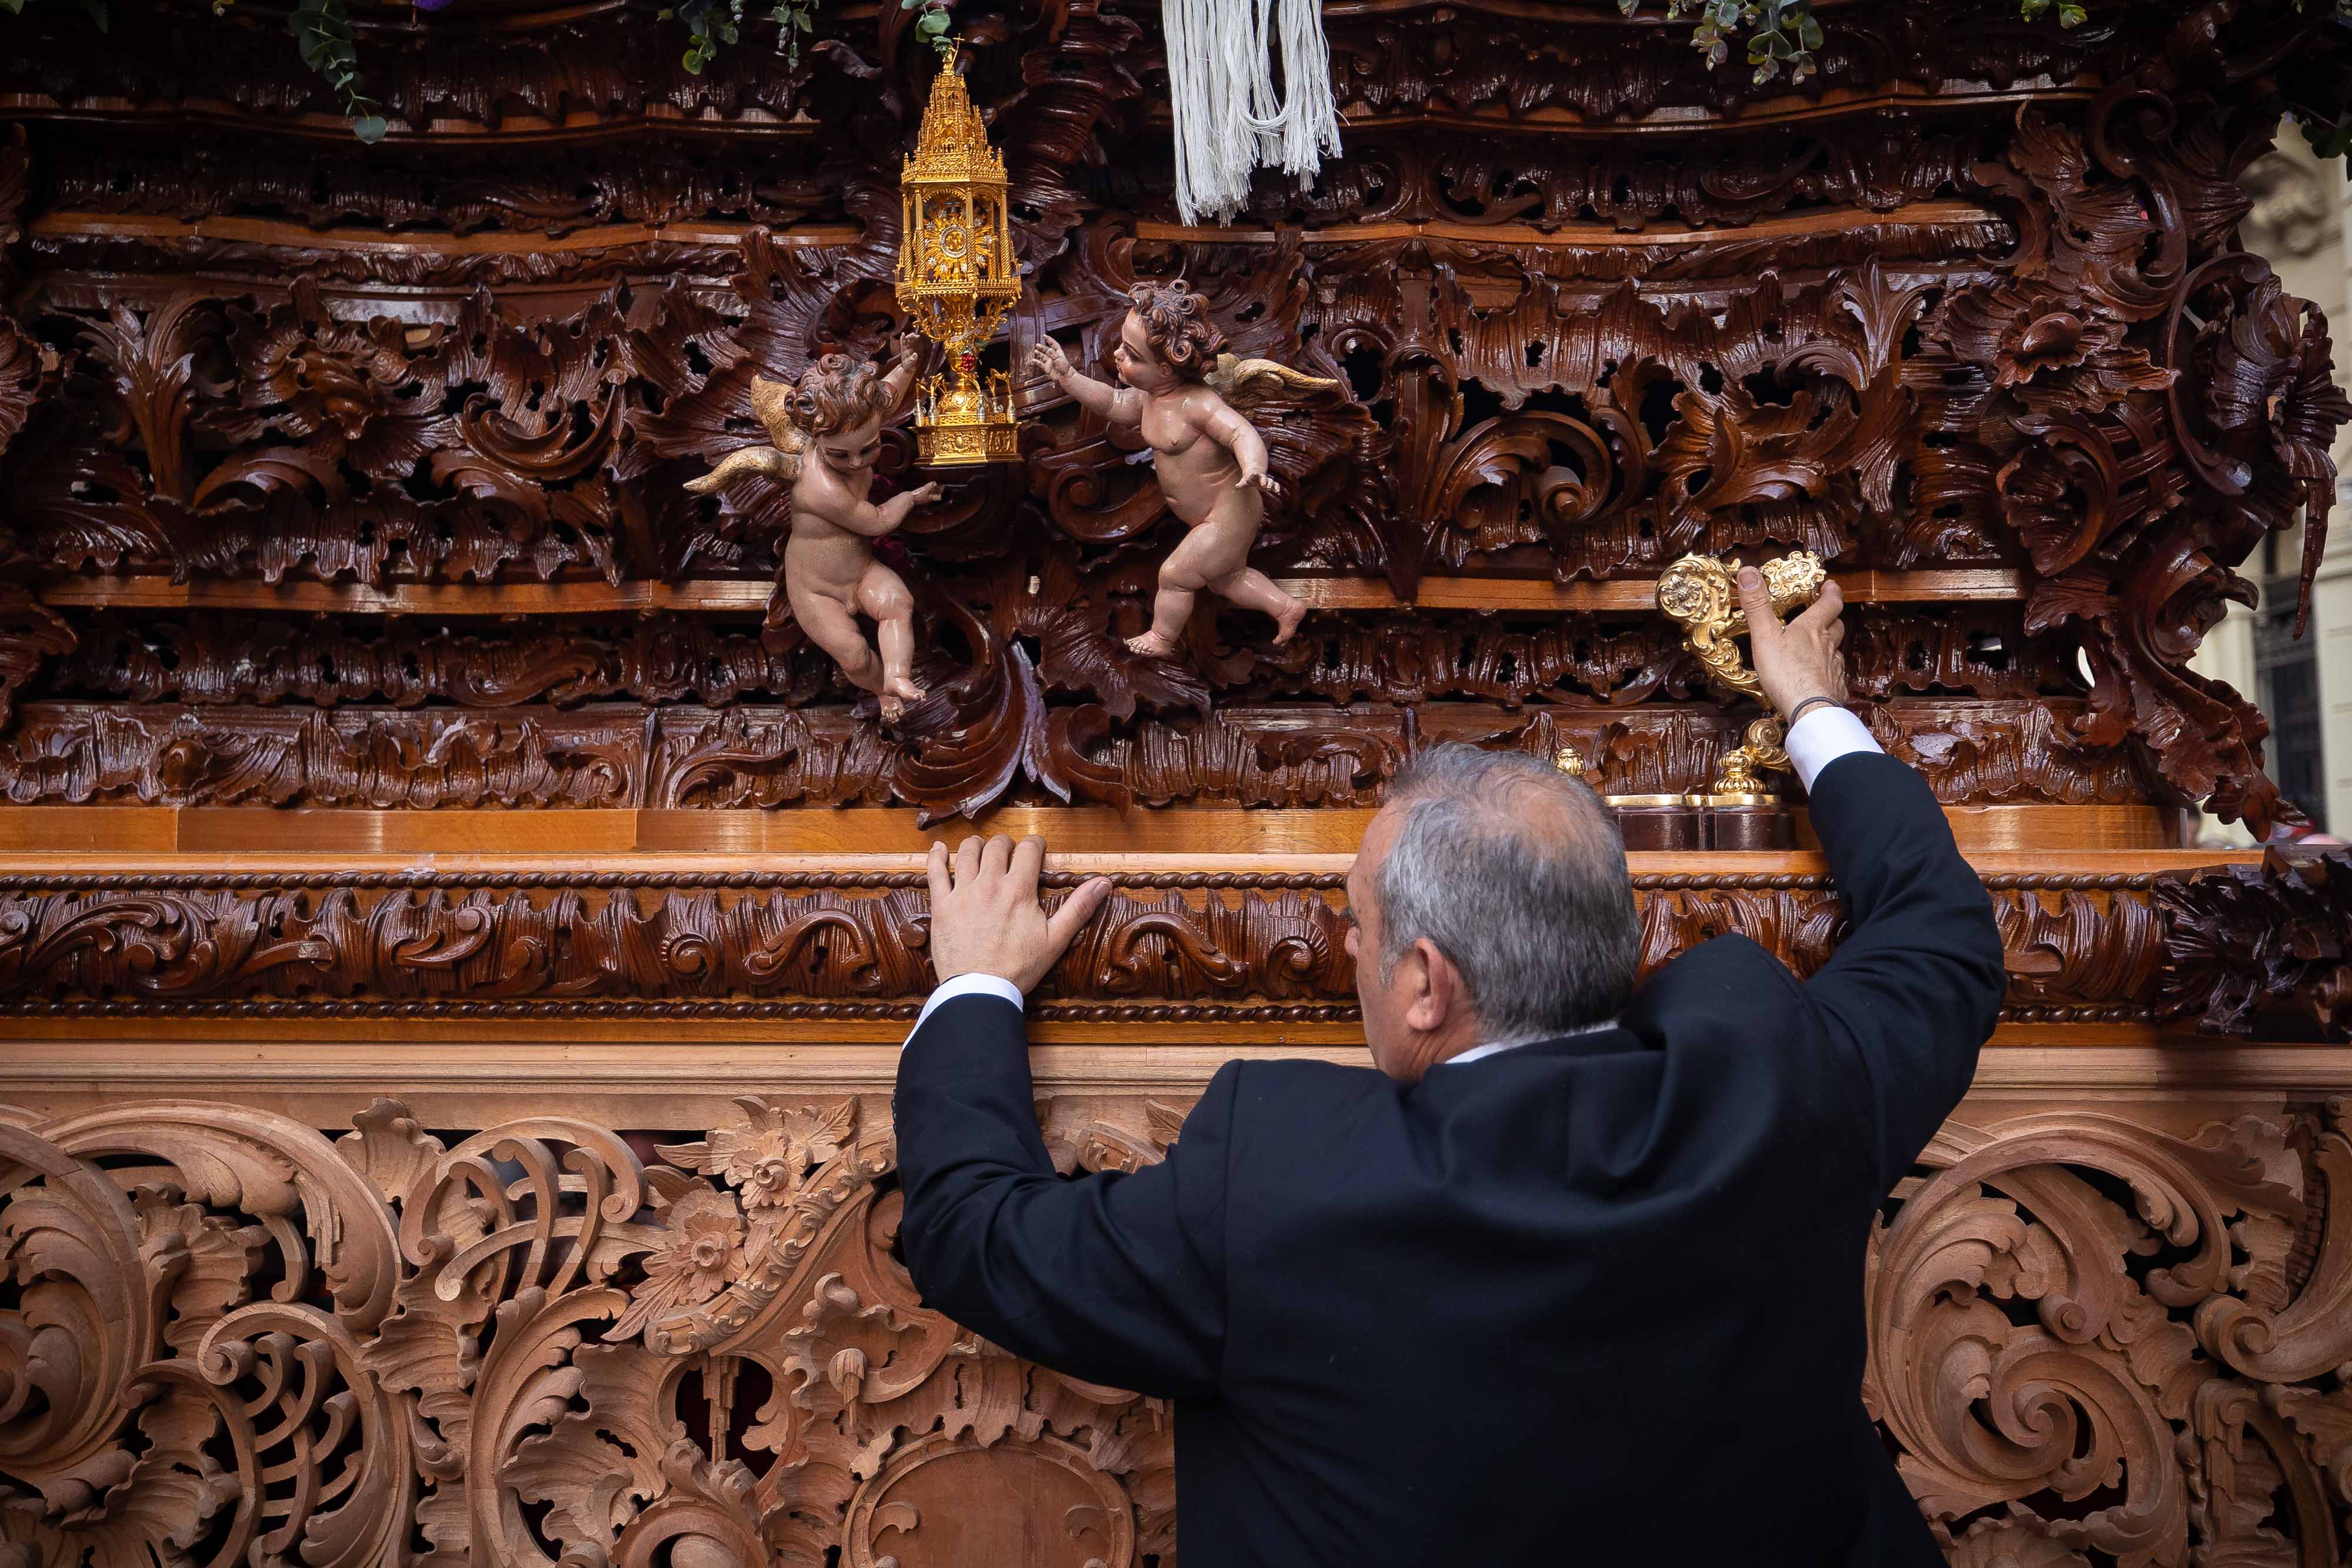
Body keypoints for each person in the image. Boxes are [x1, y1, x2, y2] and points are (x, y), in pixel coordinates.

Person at [892, 569, 2006, 1566]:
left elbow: (974, 1234)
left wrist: (976, 982)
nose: (1343, 947)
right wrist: (1814, 708)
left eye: (1359, 924)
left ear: (1426, 983)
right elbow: (1944, 934)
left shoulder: (1280, 1186)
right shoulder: (1779, 1079)